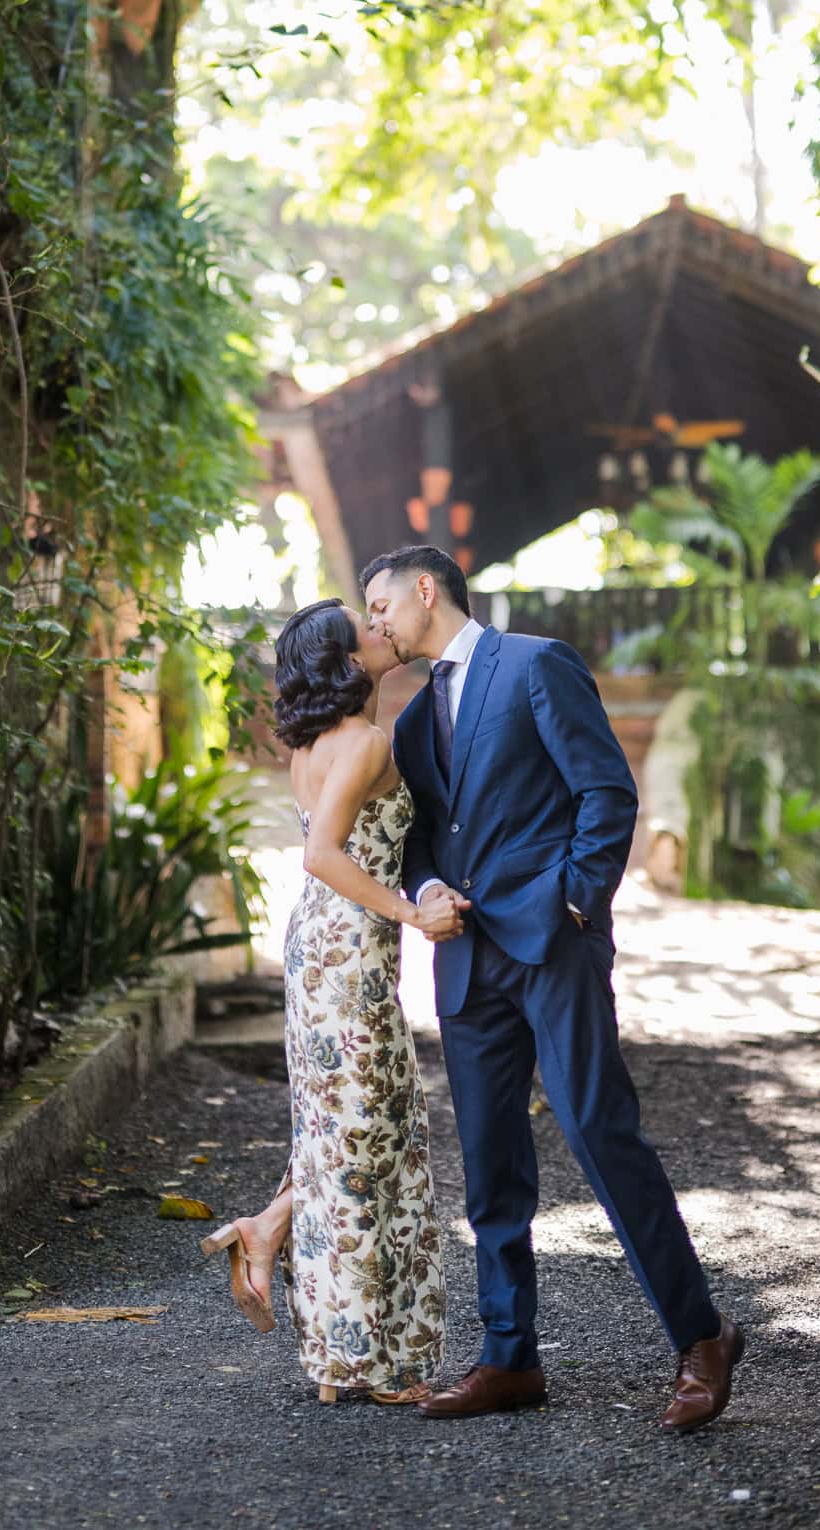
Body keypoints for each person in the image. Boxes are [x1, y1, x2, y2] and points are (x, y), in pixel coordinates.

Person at [361, 542, 744, 1432]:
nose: (375, 623)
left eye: (380, 605)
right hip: (465, 961)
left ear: (426, 591)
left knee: (599, 1134)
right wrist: (424, 891)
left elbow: (606, 792)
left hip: (553, 945)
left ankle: (702, 1337)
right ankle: (508, 1359)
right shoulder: (413, 723)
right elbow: (421, 840)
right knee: (492, 1164)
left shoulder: (536, 664)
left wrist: (578, 902)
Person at [201, 597, 458, 1403]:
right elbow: (320, 855)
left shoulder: (315, 742)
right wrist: (411, 912)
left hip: (321, 950)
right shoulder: (365, 742)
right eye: (370, 631)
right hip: (345, 953)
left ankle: (273, 1239)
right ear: (348, 663)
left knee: (343, 1132)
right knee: (365, 1145)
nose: (386, 632)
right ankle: (362, 1362)